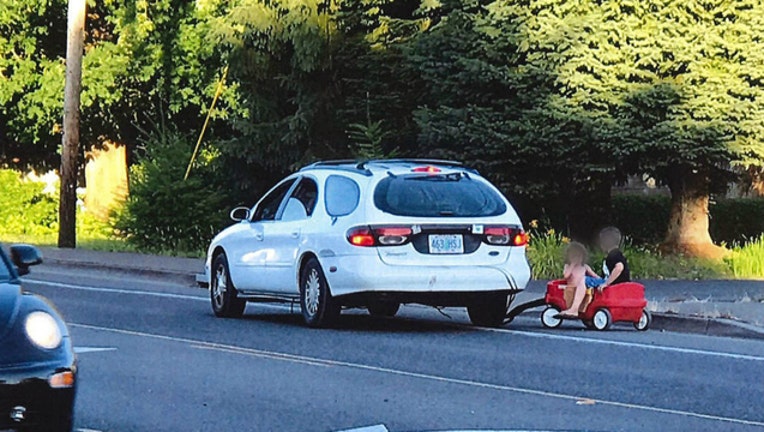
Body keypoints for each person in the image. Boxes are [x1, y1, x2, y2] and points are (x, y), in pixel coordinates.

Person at [555, 242, 598, 318]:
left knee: (586, 283)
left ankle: (577, 309)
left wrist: (603, 280)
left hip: (583, 289)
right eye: (574, 256)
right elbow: (566, 276)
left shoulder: (584, 267)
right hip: (571, 288)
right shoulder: (568, 266)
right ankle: (573, 309)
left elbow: (594, 276)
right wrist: (572, 265)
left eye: (578, 256)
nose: (576, 259)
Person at [587, 226, 631, 291]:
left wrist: (606, 283)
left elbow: (619, 267)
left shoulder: (614, 255)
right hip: (613, 283)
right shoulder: (615, 255)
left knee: (584, 280)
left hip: (615, 285)